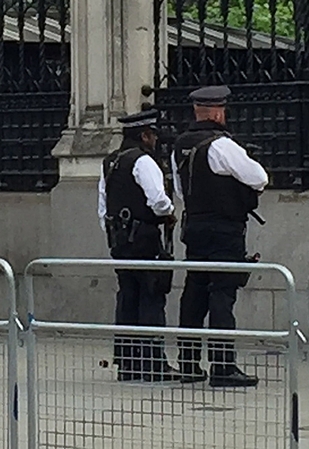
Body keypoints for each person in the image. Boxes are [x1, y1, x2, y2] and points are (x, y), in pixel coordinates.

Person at [170, 85, 269, 387]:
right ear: (216, 112)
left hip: (194, 227)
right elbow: (259, 178)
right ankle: (223, 366)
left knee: (194, 291)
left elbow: (177, 190)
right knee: (223, 293)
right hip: (224, 229)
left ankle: (188, 362)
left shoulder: (180, 146)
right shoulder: (222, 145)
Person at [98, 108, 180, 382]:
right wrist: (168, 212)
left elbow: (103, 207)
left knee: (127, 297)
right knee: (152, 295)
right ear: (145, 135)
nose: (155, 140)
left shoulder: (109, 162)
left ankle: (128, 363)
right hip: (144, 238)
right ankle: (153, 363)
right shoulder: (142, 161)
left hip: (119, 240)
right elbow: (157, 199)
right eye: (153, 135)